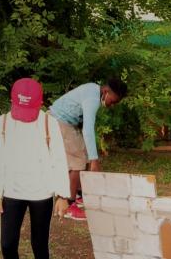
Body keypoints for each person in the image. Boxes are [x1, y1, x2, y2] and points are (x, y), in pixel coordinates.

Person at [0, 78, 71, 259]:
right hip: (12, 191)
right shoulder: (2, 123)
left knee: (39, 243)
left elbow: (58, 159)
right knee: (7, 243)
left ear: (40, 103)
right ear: (13, 101)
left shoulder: (48, 123)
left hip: (41, 193)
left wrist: (62, 195)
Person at [48, 79, 127, 221]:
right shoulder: (93, 98)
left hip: (65, 122)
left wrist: (91, 156)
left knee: (82, 153)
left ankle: (78, 195)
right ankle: (68, 203)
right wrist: (94, 160)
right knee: (77, 162)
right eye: (112, 101)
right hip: (59, 121)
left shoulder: (93, 90)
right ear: (106, 92)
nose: (112, 105)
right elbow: (88, 130)